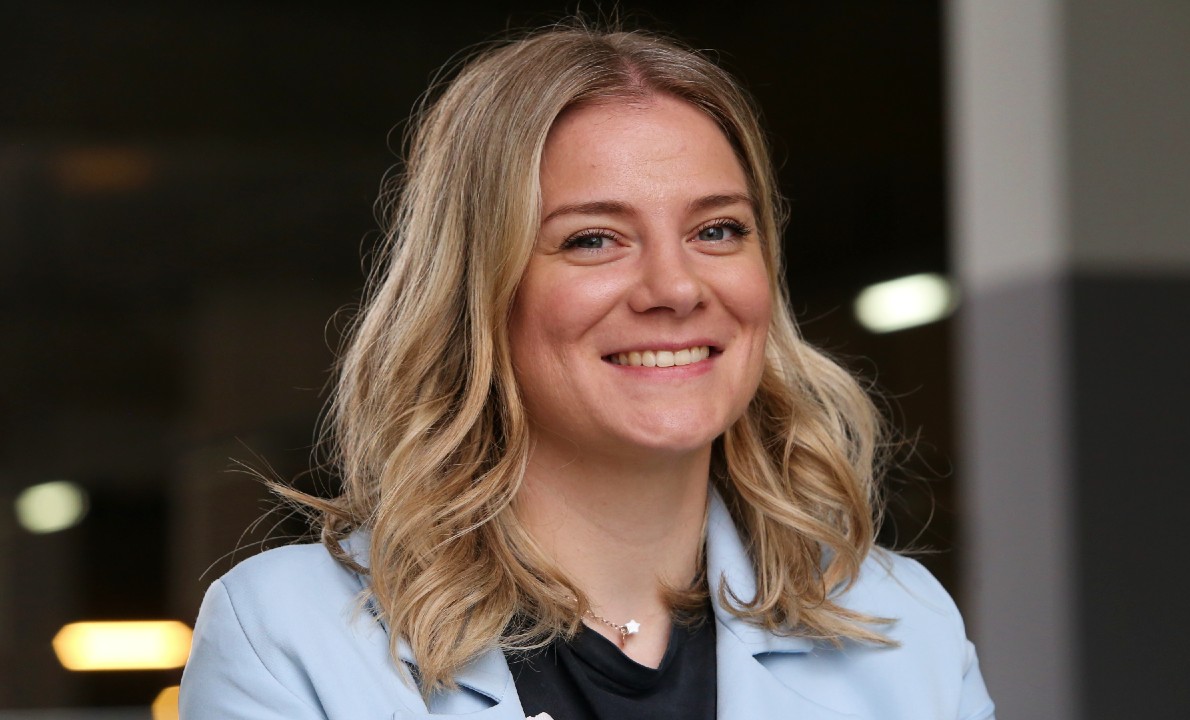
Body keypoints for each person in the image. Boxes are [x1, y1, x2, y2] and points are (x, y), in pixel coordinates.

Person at [179, 23, 995, 720]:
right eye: (593, 239)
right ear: (479, 294)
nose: (676, 288)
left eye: (717, 230)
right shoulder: (290, 637)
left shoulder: (903, 628)